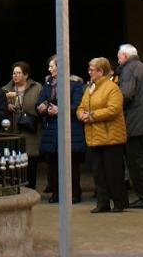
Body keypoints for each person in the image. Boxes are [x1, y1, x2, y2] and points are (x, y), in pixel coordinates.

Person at [77, 57, 127, 213]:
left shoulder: (112, 88)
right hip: (94, 137)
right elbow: (81, 107)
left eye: (92, 70)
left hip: (111, 137)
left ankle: (119, 203)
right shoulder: (89, 88)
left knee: (113, 172)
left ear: (101, 71)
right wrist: (81, 115)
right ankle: (102, 203)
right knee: (98, 173)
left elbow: (114, 109)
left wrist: (91, 116)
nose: (89, 72)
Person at [115, 43, 143, 209]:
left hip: (135, 123)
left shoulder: (129, 69)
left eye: (119, 57)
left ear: (125, 56)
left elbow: (126, 94)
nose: (118, 61)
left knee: (137, 163)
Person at [36, 55, 84, 204]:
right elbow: (40, 102)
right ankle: (56, 193)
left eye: (52, 66)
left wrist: (60, 110)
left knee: (71, 164)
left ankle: (74, 194)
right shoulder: (48, 85)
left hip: (70, 128)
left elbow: (77, 105)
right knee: (53, 164)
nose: (49, 69)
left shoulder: (74, 84)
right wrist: (42, 108)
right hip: (52, 130)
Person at [2, 61, 42, 191]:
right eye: (14, 73)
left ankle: (30, 189)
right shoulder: (5, 89)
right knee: (13, 161)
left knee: (30, 161)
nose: (15, 75)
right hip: (13, 130)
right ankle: (15, 188)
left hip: (30, 129)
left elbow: (41, 105)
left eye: (19, 73)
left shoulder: (37, 87)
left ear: (26, 75)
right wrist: (6, 105)